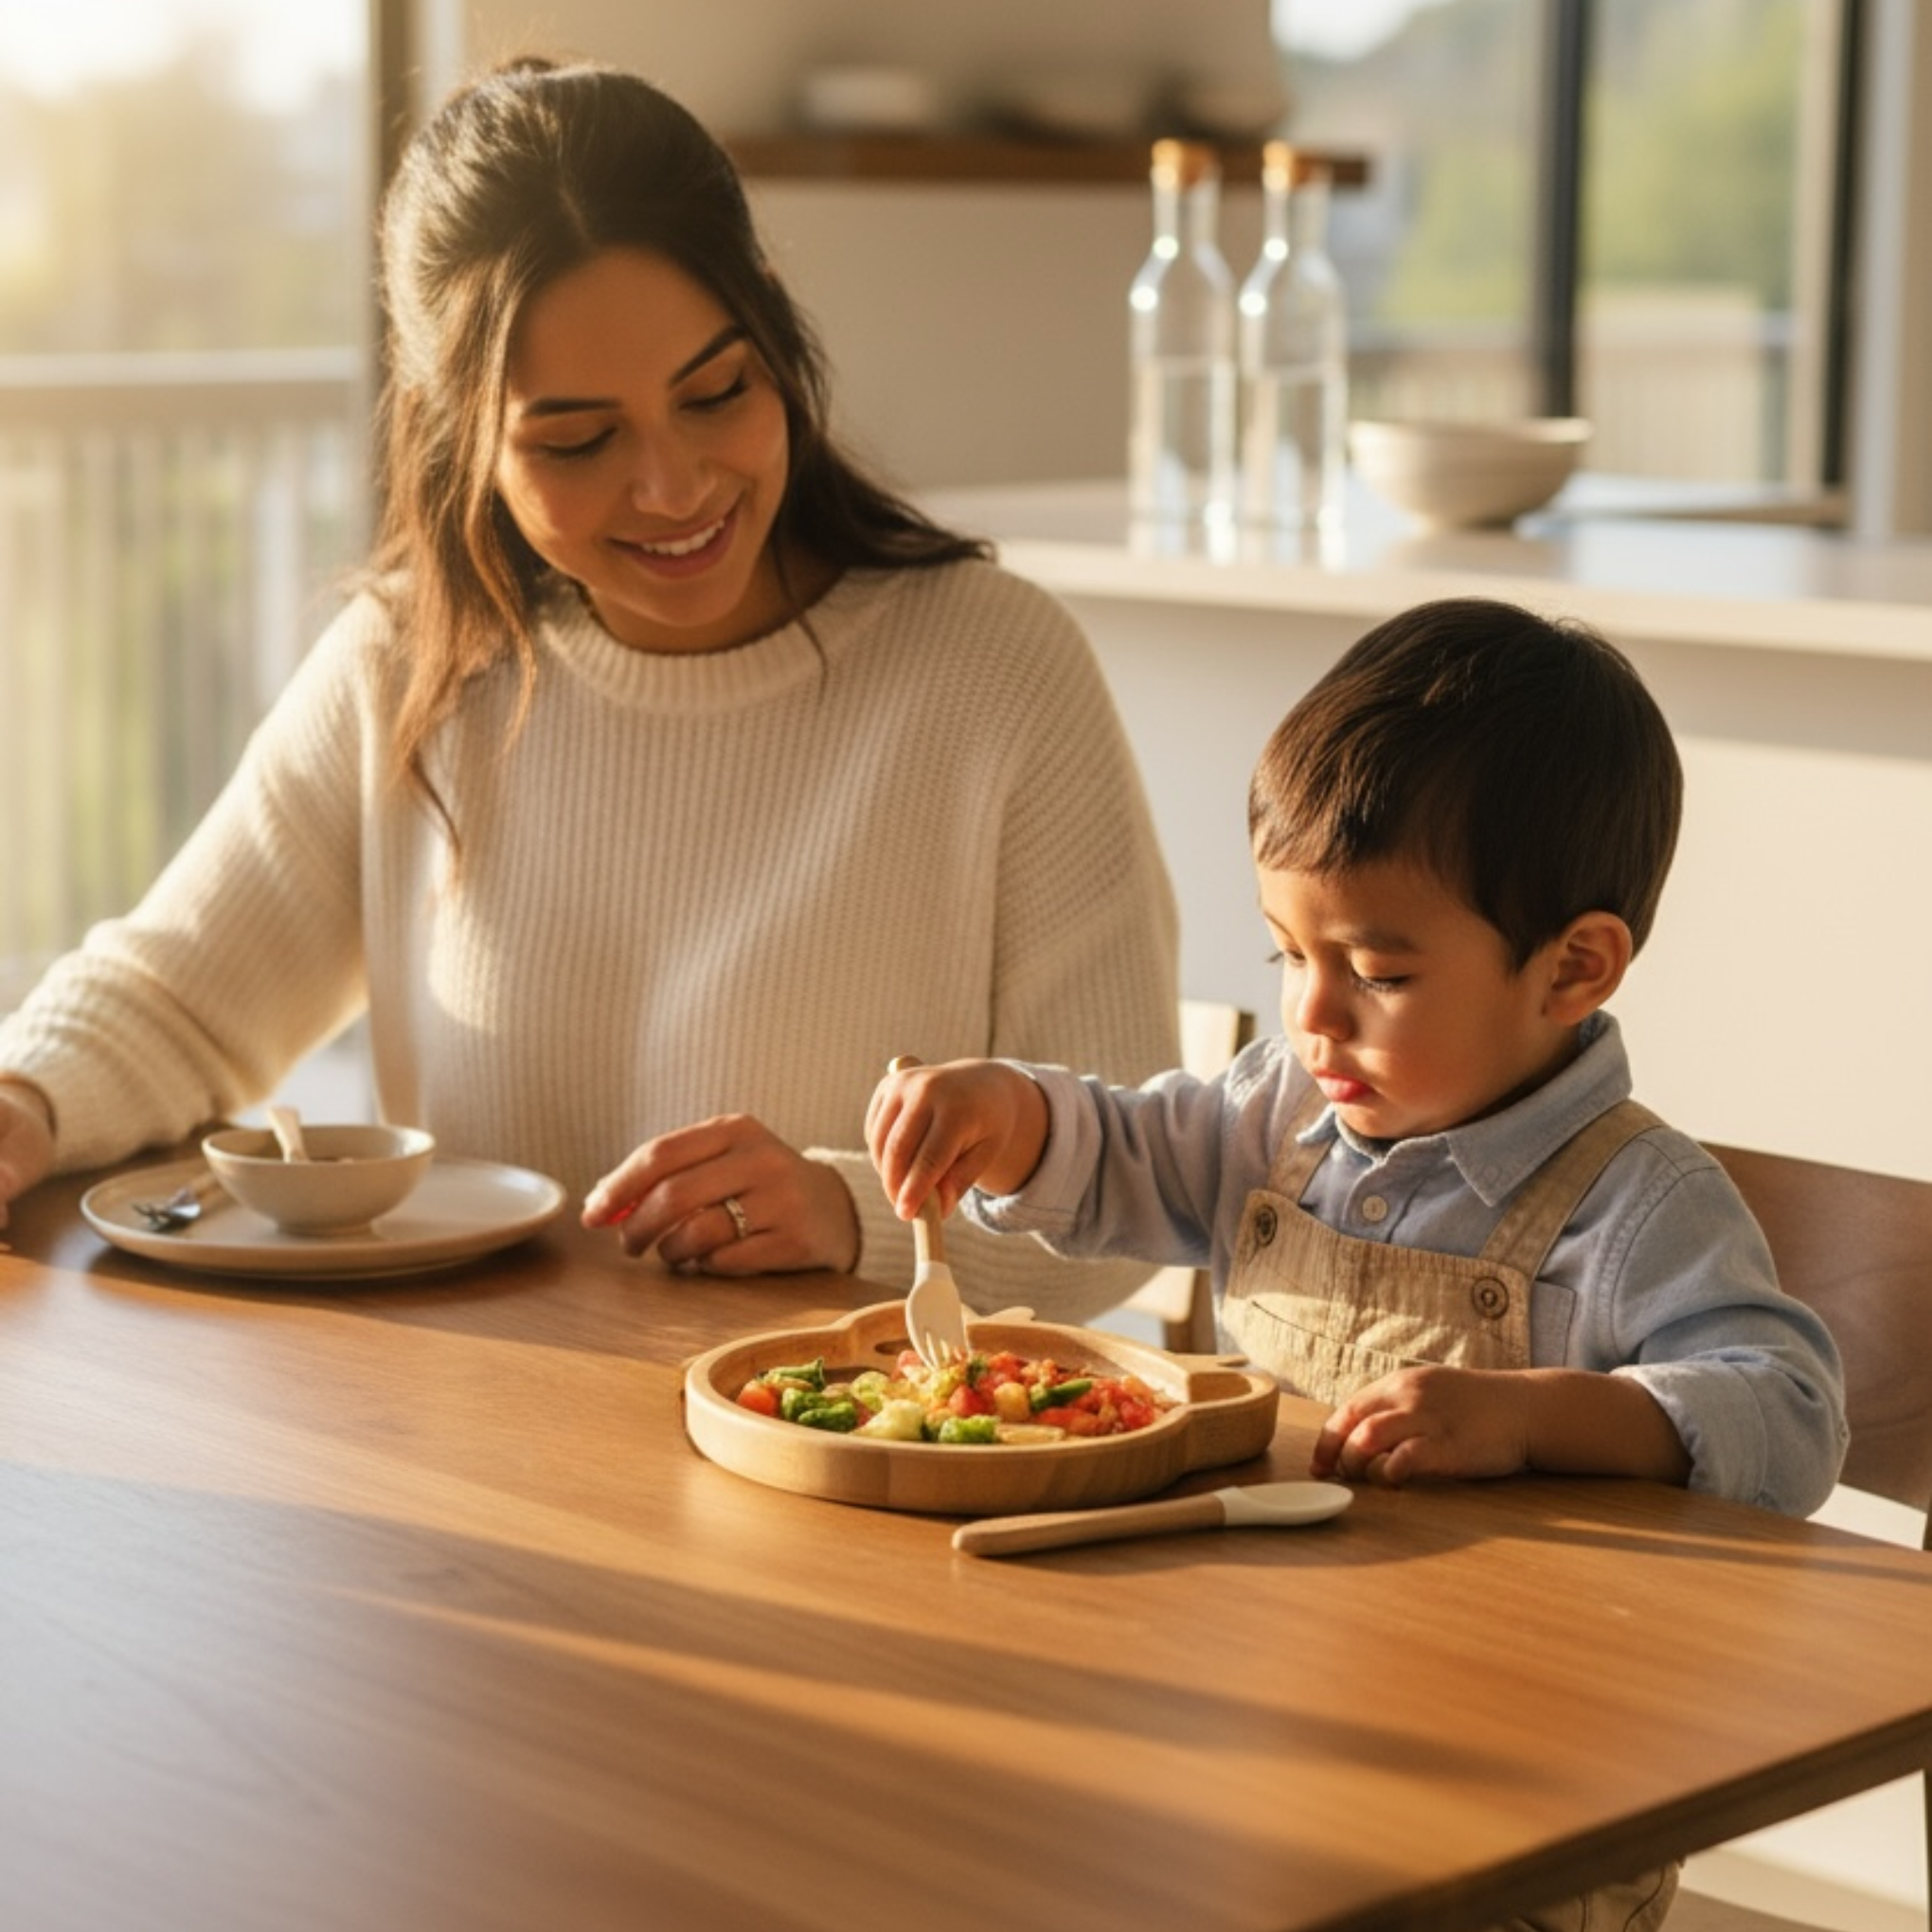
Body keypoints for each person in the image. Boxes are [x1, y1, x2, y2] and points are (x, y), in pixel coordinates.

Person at [0, 56, 1178, 1315]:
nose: (673, 487)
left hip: (845, 1427)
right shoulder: (409, 663)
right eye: (577, 440)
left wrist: (851, 1214)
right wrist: (23, 1099)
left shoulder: (996, 671)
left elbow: (1141, 1195)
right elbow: (180, 1002)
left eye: (716, 393)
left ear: (775, 331)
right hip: (476, 1416)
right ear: (457, 429)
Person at [869, 597, 1848, 1926]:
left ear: (1573, 969)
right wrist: (1012, 1115)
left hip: (1519, 1790)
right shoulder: (1277, 1115)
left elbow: (1789, 1414)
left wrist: (1534, 1416)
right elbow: (1130, 1155)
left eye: (1378, 974)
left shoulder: (1632, 1205)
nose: (1312, 1014)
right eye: (1287, 954)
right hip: (1254, 1717)